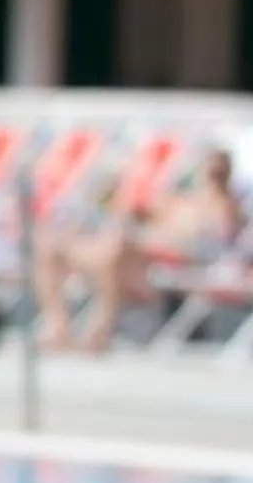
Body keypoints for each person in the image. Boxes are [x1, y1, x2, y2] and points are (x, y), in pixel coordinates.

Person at [30, 146, 241, 352]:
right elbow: (142, 214)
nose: (211, 177)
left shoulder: (223, 205)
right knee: (52, 249)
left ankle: (99, 329)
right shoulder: (180, 199)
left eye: (216, 172)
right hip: (138, 253)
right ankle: (60, 324)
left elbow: (202, 242)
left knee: (116, 252)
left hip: (173, 259)